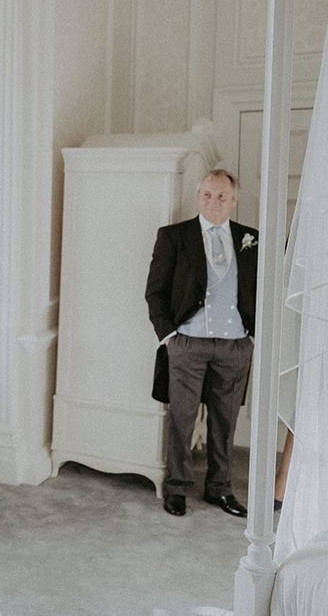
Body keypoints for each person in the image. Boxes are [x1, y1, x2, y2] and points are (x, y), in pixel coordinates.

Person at [145, 169, 258, 518]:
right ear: (199, 197)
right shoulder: (174, 236)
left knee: (224, 421)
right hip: (188, 344)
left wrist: (253, 335)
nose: (213, 201)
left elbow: (260, 289)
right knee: (182, 417)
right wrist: (169, 337)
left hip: (234, 346)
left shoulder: (250, 238)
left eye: (221, 196)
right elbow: (156, 292)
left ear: (234, 200)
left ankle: (219, 489)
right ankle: (176, 488)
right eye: (207, 195)